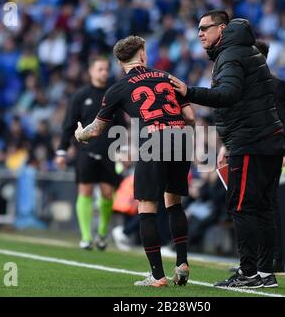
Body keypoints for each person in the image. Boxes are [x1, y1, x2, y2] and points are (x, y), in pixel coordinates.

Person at [169, 11, 285, 288]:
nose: (199, 33)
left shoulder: (232, 54)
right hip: (266, 140)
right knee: (262, 207)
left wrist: (189, 92)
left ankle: (249, 273)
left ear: (221, 29)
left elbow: (228, 95)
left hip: (252, 141)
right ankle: (262, 271)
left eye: (204, 28)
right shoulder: (245, 51)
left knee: (241, 205)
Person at [74, 36, 195, 287]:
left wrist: (80, 134)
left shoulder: (117, 88)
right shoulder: (165, 76)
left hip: (154, 140)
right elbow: (190, 116)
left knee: (147, 207)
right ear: (142, 54)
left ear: (120, 62)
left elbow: (95, 130)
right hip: (182, 137)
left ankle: (158, 276)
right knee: (174, 202)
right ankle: (182, 262)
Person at [55, 57, 124, 251]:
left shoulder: (114, 94)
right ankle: (86, 237)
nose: (104, 72)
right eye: (100, 69)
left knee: (107, 193)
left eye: (106, 69)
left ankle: (102, 234)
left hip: (109, 151)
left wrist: (123, 149)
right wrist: (61, 150)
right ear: (91, 72)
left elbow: (121, 125)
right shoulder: (79, 96)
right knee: (84, 191)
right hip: (85, 151)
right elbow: (69, 125)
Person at [255, 40, 285, 272]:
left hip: (271, 152)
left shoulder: (278, 86)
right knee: (254, 204)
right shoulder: (248, 86)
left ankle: (276, 259)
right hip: (251, 150)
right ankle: (255, 259)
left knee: (269, 203)